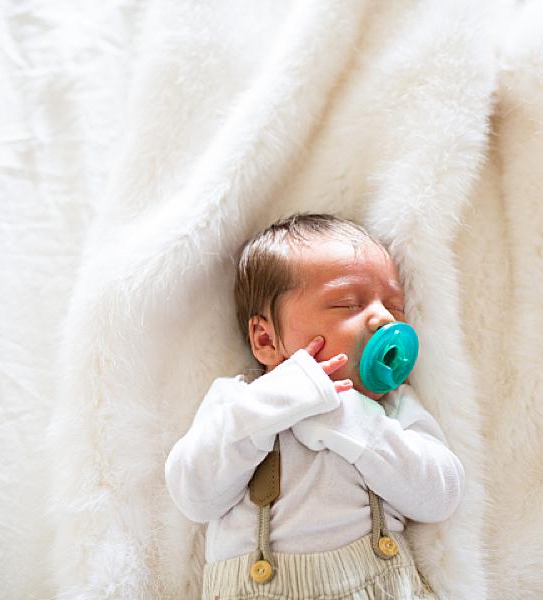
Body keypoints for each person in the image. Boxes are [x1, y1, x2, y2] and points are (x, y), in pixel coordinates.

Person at [165, 213, 464, 599]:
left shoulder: (394, 406)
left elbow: (440, 496)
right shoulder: (238, 400)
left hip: (376, 585)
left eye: (395, 305)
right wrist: (280, 398)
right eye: (347, 303)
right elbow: (194, 495)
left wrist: (352, 419)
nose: (384, 318)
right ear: (266, 340)